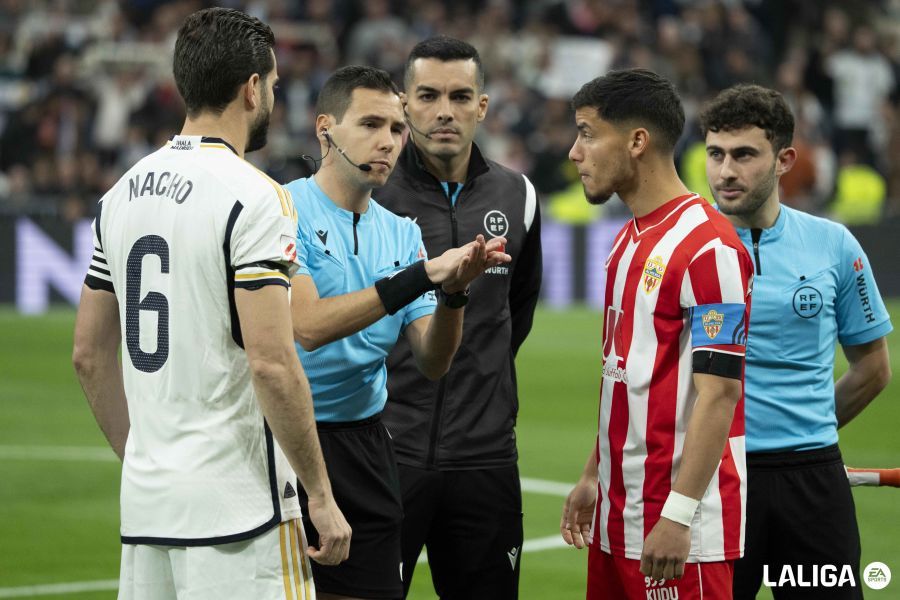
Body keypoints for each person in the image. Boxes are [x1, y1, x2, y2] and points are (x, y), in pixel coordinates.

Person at [71, 8, 350, 599]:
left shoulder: (120, 195)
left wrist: (143, 461)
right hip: (240, 514)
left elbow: (89, 355)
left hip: (148, 509)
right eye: (272, 84)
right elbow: (272, 362)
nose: (273, 97)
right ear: (251, 89)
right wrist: (321, 496)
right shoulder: (256, 197)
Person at [283, 65, 511, 600]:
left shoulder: (402, 233)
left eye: (395, 128)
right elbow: (308, 327)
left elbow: (433, 360)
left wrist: (454, 293)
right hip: (287, 440)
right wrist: (420, 276)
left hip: (366, 445)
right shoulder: (282, 208)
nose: (387, 141)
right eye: (370, 125)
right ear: (324, 129)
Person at [560, 69, 753, 600]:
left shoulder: (710, 248)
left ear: (637, 141)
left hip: (677, 532)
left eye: (587, 133)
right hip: (615, 517)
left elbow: (721, 394)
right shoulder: (626, 240)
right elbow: (625, 377)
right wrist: (593, 474)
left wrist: (679, 515)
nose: (575, 152)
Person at [701, 84, 893, 599]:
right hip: (716, 480)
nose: (726, 171)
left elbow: (873, 367)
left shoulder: (834, 244)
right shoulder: (687, 246)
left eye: (744, 155)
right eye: (716, 154)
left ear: (784, 159)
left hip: (813, 485)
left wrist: (806, 427)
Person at [370, 36, 542, 599]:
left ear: (482, 106)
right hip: (386, 450)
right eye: (428, 96)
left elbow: (516, 312)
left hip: (484, 458)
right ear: (404, 104)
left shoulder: (518, 195)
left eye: (460, 96)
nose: (444, 111)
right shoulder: (372, 196)